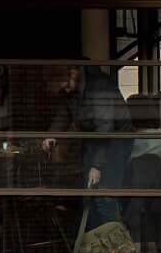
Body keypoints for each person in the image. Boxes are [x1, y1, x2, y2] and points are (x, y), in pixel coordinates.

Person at [40, 64, 131, 231]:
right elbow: (64, 113)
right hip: (94, 140)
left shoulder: (99, 87)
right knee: (90, 197)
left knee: (103, 198)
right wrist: (52, 134)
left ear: (73, 74)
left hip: (114, 141)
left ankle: (116, 242)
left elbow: (105, 127)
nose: (65, 91)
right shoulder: (72, 90)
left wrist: (97, 166)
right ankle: (97, 242)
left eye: (66, 86)